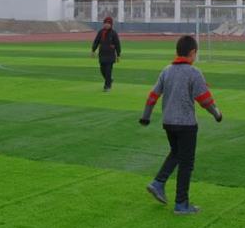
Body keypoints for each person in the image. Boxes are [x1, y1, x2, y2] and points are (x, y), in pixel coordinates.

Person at [139, 35, 223, 215]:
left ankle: (158, 183)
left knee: (176, 153)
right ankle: (181, 204)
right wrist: (217, 114)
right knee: (186, 163)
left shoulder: (166, 71)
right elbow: (205, 100)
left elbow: (153, 95)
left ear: (177, 52)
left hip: (168, 122)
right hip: (186, 124)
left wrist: (146, 117)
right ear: (192, 53)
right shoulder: (194, 72)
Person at [91, 16, 121, 92]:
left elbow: (117, 44)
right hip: (102, 55)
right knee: (102, 71)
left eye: (108, 23)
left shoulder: (114, 33)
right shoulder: (100, 32)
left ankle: (107, 86)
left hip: (110, 56)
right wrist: (93, 50)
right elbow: (96, 41)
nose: (106, 25)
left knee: (108, 72)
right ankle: (109, 80)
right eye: (105, 23)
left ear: (111, 24)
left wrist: (118, 55)